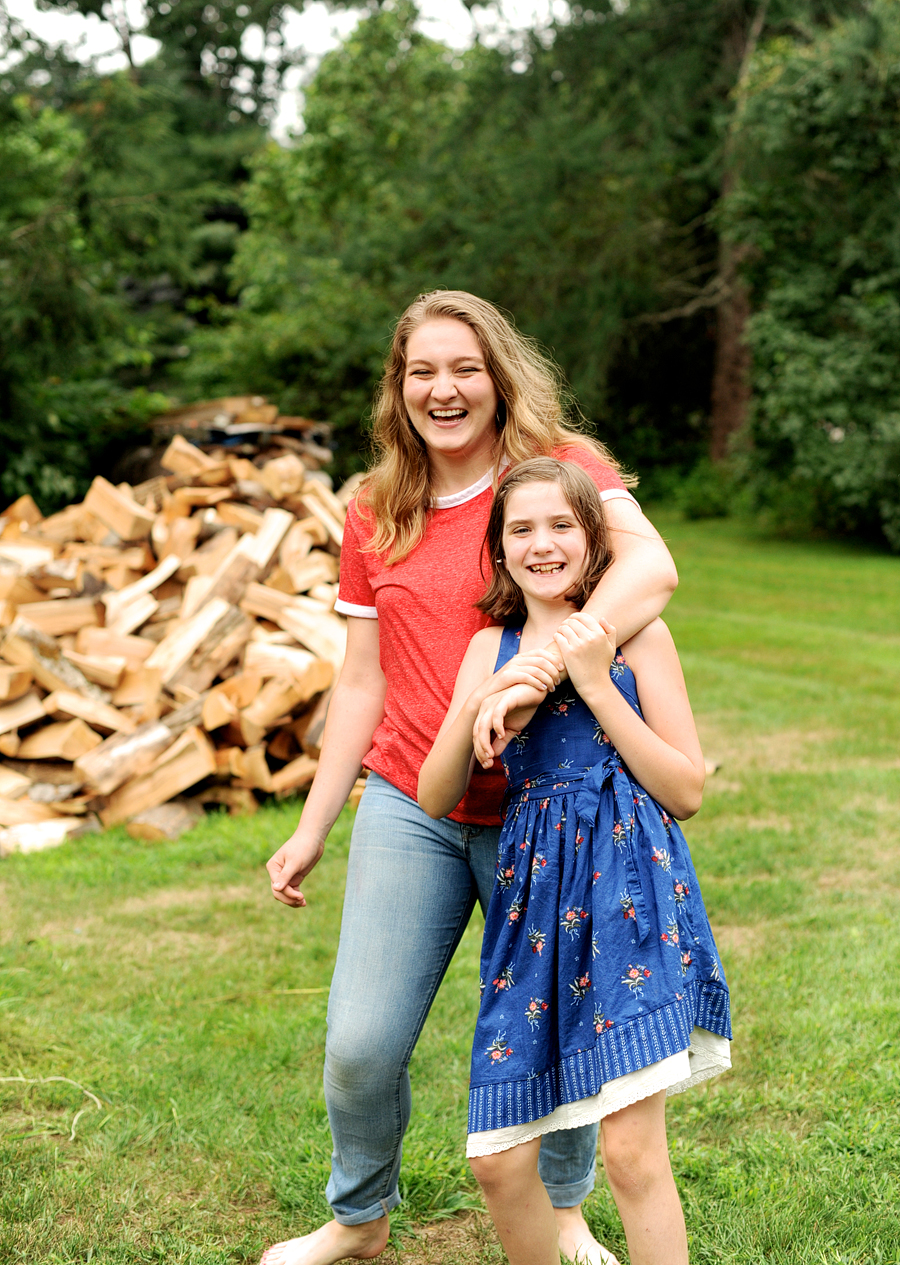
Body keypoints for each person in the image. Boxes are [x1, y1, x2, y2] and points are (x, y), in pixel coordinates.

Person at [262, 291, 680, 1265]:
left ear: (497, 372)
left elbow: (651, 567)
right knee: (361, 1043)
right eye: (421, 371)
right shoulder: (375, 508)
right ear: (397, 387)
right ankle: (359, 1217)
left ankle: (565, 1207)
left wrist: (536, 669)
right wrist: (315, 823)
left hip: (552, 805)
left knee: (567, 1030)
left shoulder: (561, 472)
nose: (443, 389)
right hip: (415, 800)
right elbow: (362, 680)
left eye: (464, 367)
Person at [418, 458, 732, 1265]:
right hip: (535, 902)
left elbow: (687, 786)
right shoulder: (490, 645)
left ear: (594, 541)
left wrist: (593, 683)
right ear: (498, 549)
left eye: (562, 525)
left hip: (628, 883)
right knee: (495, 1159)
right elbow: (433, 791)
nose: (542, 543)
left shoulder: (637, 636)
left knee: (629, 1150)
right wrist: (481, 703)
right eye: (521, 528)